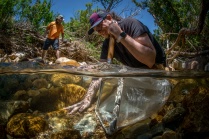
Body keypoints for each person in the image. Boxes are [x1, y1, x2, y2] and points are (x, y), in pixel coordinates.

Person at [64, 10, 166, 114]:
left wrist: (120, 35)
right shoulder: (107, 44)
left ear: (108, 18)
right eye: (96, 30)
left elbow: (150, 60)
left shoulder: (130, 24)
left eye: (100, 26)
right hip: (138, 75)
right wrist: (87, 98)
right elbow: (101, 72)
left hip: (157, 71)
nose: (99, 32)